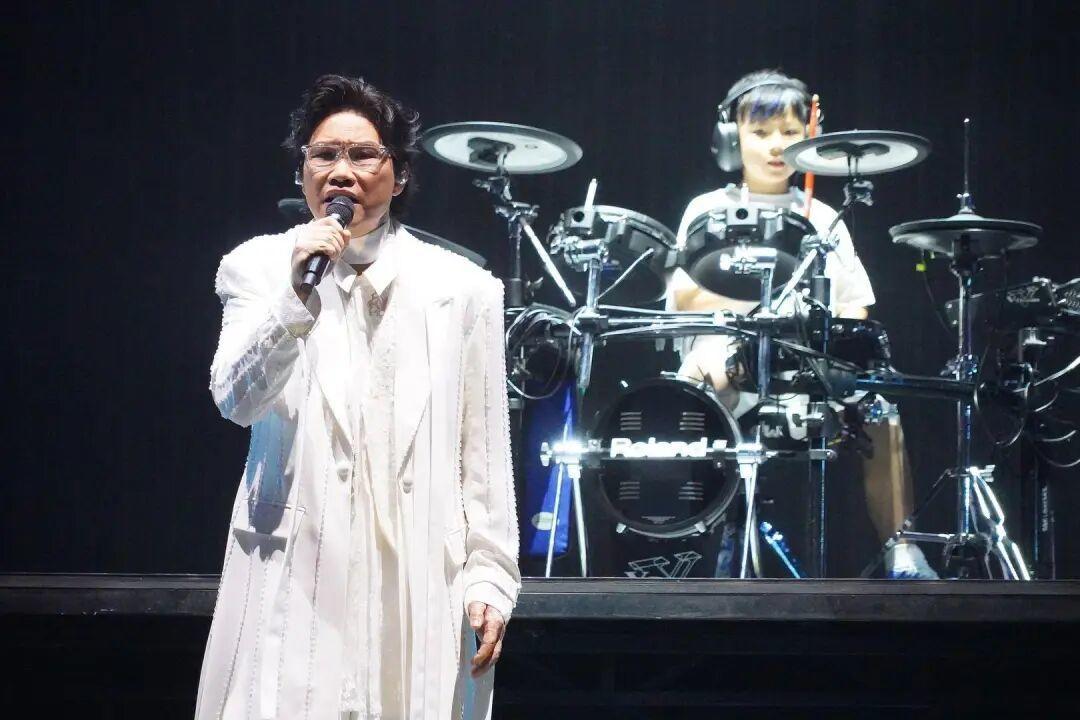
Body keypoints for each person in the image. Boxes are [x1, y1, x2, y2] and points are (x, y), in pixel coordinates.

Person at [196, 75, 520, 720]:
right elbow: (235, 399)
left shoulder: (464, 290)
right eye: (323, 155)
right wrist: (294, 300)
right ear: (302, 173)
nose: (341, 171)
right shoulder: (258, 268)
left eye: (363, 155)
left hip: (417, 576)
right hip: (296, 571)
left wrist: (491, 576)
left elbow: (482, 449)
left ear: (399, 176)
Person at [666, 69, 937, 579]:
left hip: (804, 364)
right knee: (708, 374)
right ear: (730, 137)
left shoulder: (823, 217)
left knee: (880, 405)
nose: (776, 146)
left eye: (790, 132)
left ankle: (902, 551)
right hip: (725, 357)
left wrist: (821, 339)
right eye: (760, 132)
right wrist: (762, 303)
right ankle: (713, 539)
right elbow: (684, 296)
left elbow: (855, 307)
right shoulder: (708, 208)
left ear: (810, 138)